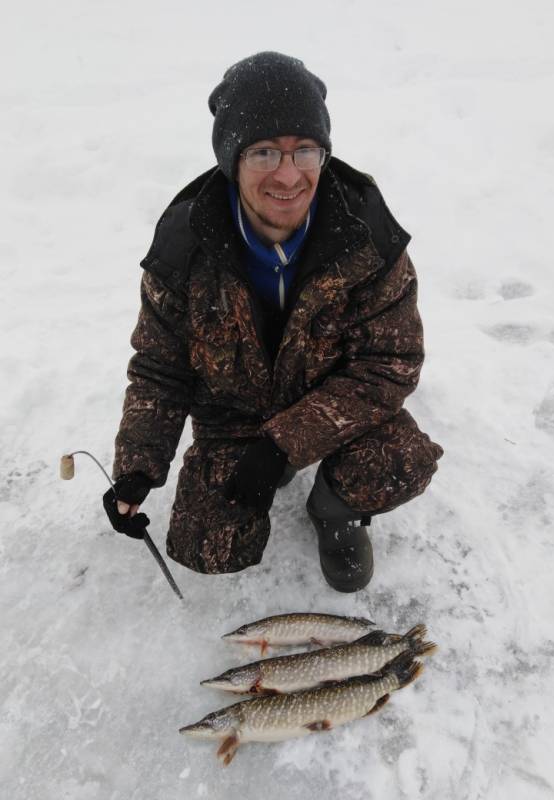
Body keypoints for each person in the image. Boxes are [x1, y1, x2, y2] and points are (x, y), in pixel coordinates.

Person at [103, 51, 443, 592]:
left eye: (304, 150)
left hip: (329, 400)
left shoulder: (369, 236)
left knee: (398, 463)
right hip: (234, 411)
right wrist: (138, 467)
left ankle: (333, 512)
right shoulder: (181, 248)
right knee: (206, 544)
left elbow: (389, 365)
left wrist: (284, 444)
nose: (288, 175)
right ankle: (272, 465)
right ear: (232, 159)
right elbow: (160, 368)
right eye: (264, 152)